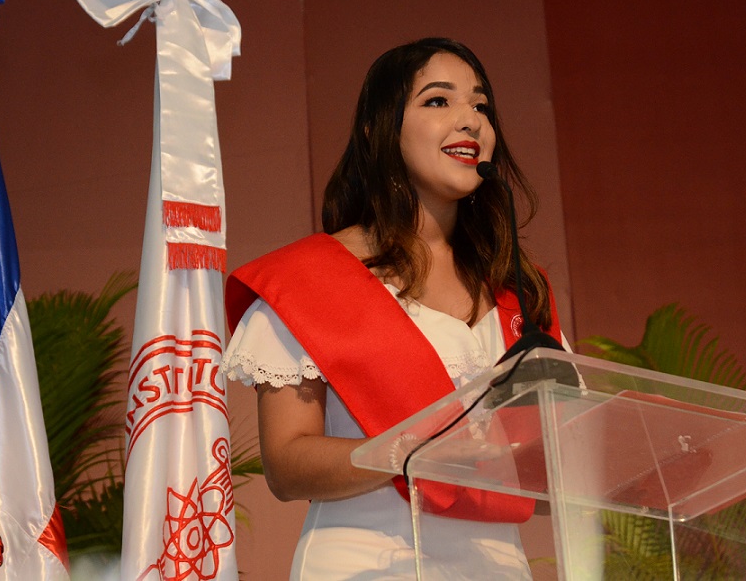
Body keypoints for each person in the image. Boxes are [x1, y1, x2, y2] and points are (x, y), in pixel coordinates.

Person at [221, 37, 567, 580]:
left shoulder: (519, 289)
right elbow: (287, 465)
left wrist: (628, 471)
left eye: (481, 106)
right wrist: (413, 452)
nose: (470, 120)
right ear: (377, 131)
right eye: (438, 101)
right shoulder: (311, 279)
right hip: (368, 564)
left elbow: (544, 477)